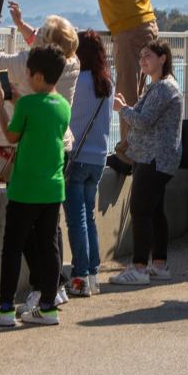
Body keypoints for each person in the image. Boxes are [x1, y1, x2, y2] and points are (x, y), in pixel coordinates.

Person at [0, 2, 79, 310]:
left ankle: (37, 287)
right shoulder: (72, 63)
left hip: (24, 149)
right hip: (59, 147)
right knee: (50, 226)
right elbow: (43, 45)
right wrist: (21, 26)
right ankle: (54, 286)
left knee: (22, 227)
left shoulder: (26, 63)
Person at [57, 0, 157, 176]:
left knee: (126, 89)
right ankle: (137, 149)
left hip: (129, 30)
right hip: (146, 25)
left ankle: (127, 156)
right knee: (140, 91)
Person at [110, 40, 183, 285]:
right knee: (155, 212)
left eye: (148, 56)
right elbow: (146, 118)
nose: (142, 61)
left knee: (140, 211)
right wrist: (129, 108)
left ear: (163, 58)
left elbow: (143, 121)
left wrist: (122, 109)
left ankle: (139, 268)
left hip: (153, 158)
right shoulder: (162, 86)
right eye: (140, 56)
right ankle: (159, 264)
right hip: (157, 158)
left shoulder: (162, 88)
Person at [64, 30, 114, 297]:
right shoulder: (106, 82)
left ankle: (80, 275)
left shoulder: (76, 81)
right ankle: (93, 272)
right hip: (99, 158)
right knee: (89, 216)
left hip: (77, 157)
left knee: (76, 219)